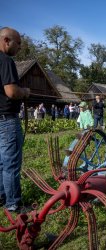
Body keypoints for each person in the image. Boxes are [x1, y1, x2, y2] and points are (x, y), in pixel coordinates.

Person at [0, 27, 30, 212]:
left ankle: (2, 197)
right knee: (11, 163)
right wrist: (25, 92)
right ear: (6, 40)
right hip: (7, 119)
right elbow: (11, 91)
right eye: (18, 43)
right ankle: (13, 204)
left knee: (1, 162)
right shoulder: (5, 61)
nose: (20, 47)